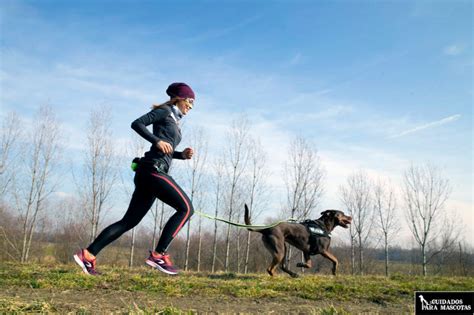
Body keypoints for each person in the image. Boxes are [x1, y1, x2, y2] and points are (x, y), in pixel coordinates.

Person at [74, 82, 196, 275]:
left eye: (193, 104)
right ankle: (159, 255)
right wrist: (157, 140)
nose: (191, 106)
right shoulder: (165, 111)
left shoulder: (173, 119)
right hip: (153, 170)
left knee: (129, 221)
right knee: (186, 208)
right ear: (179, 98)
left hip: (150, 172)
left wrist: (181, 155)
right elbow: (137, 123)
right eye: (189, 101)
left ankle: (88, 255)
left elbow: (166, 149)